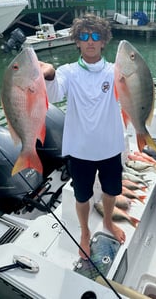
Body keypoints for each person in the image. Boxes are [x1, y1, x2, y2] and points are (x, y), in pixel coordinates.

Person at [39, 14, 126, 259]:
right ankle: (85, 232)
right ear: (77, 42)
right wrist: (49, 74)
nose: (90, 41)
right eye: (84, 36)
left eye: (95, 36)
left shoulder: (115, 71)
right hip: (80, 150)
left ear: (103, 41)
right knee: (82, 196)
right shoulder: (68, 72)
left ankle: (108, 221)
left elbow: (131, 93)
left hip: (110, 147)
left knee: (111, 191)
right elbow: (55, 94)